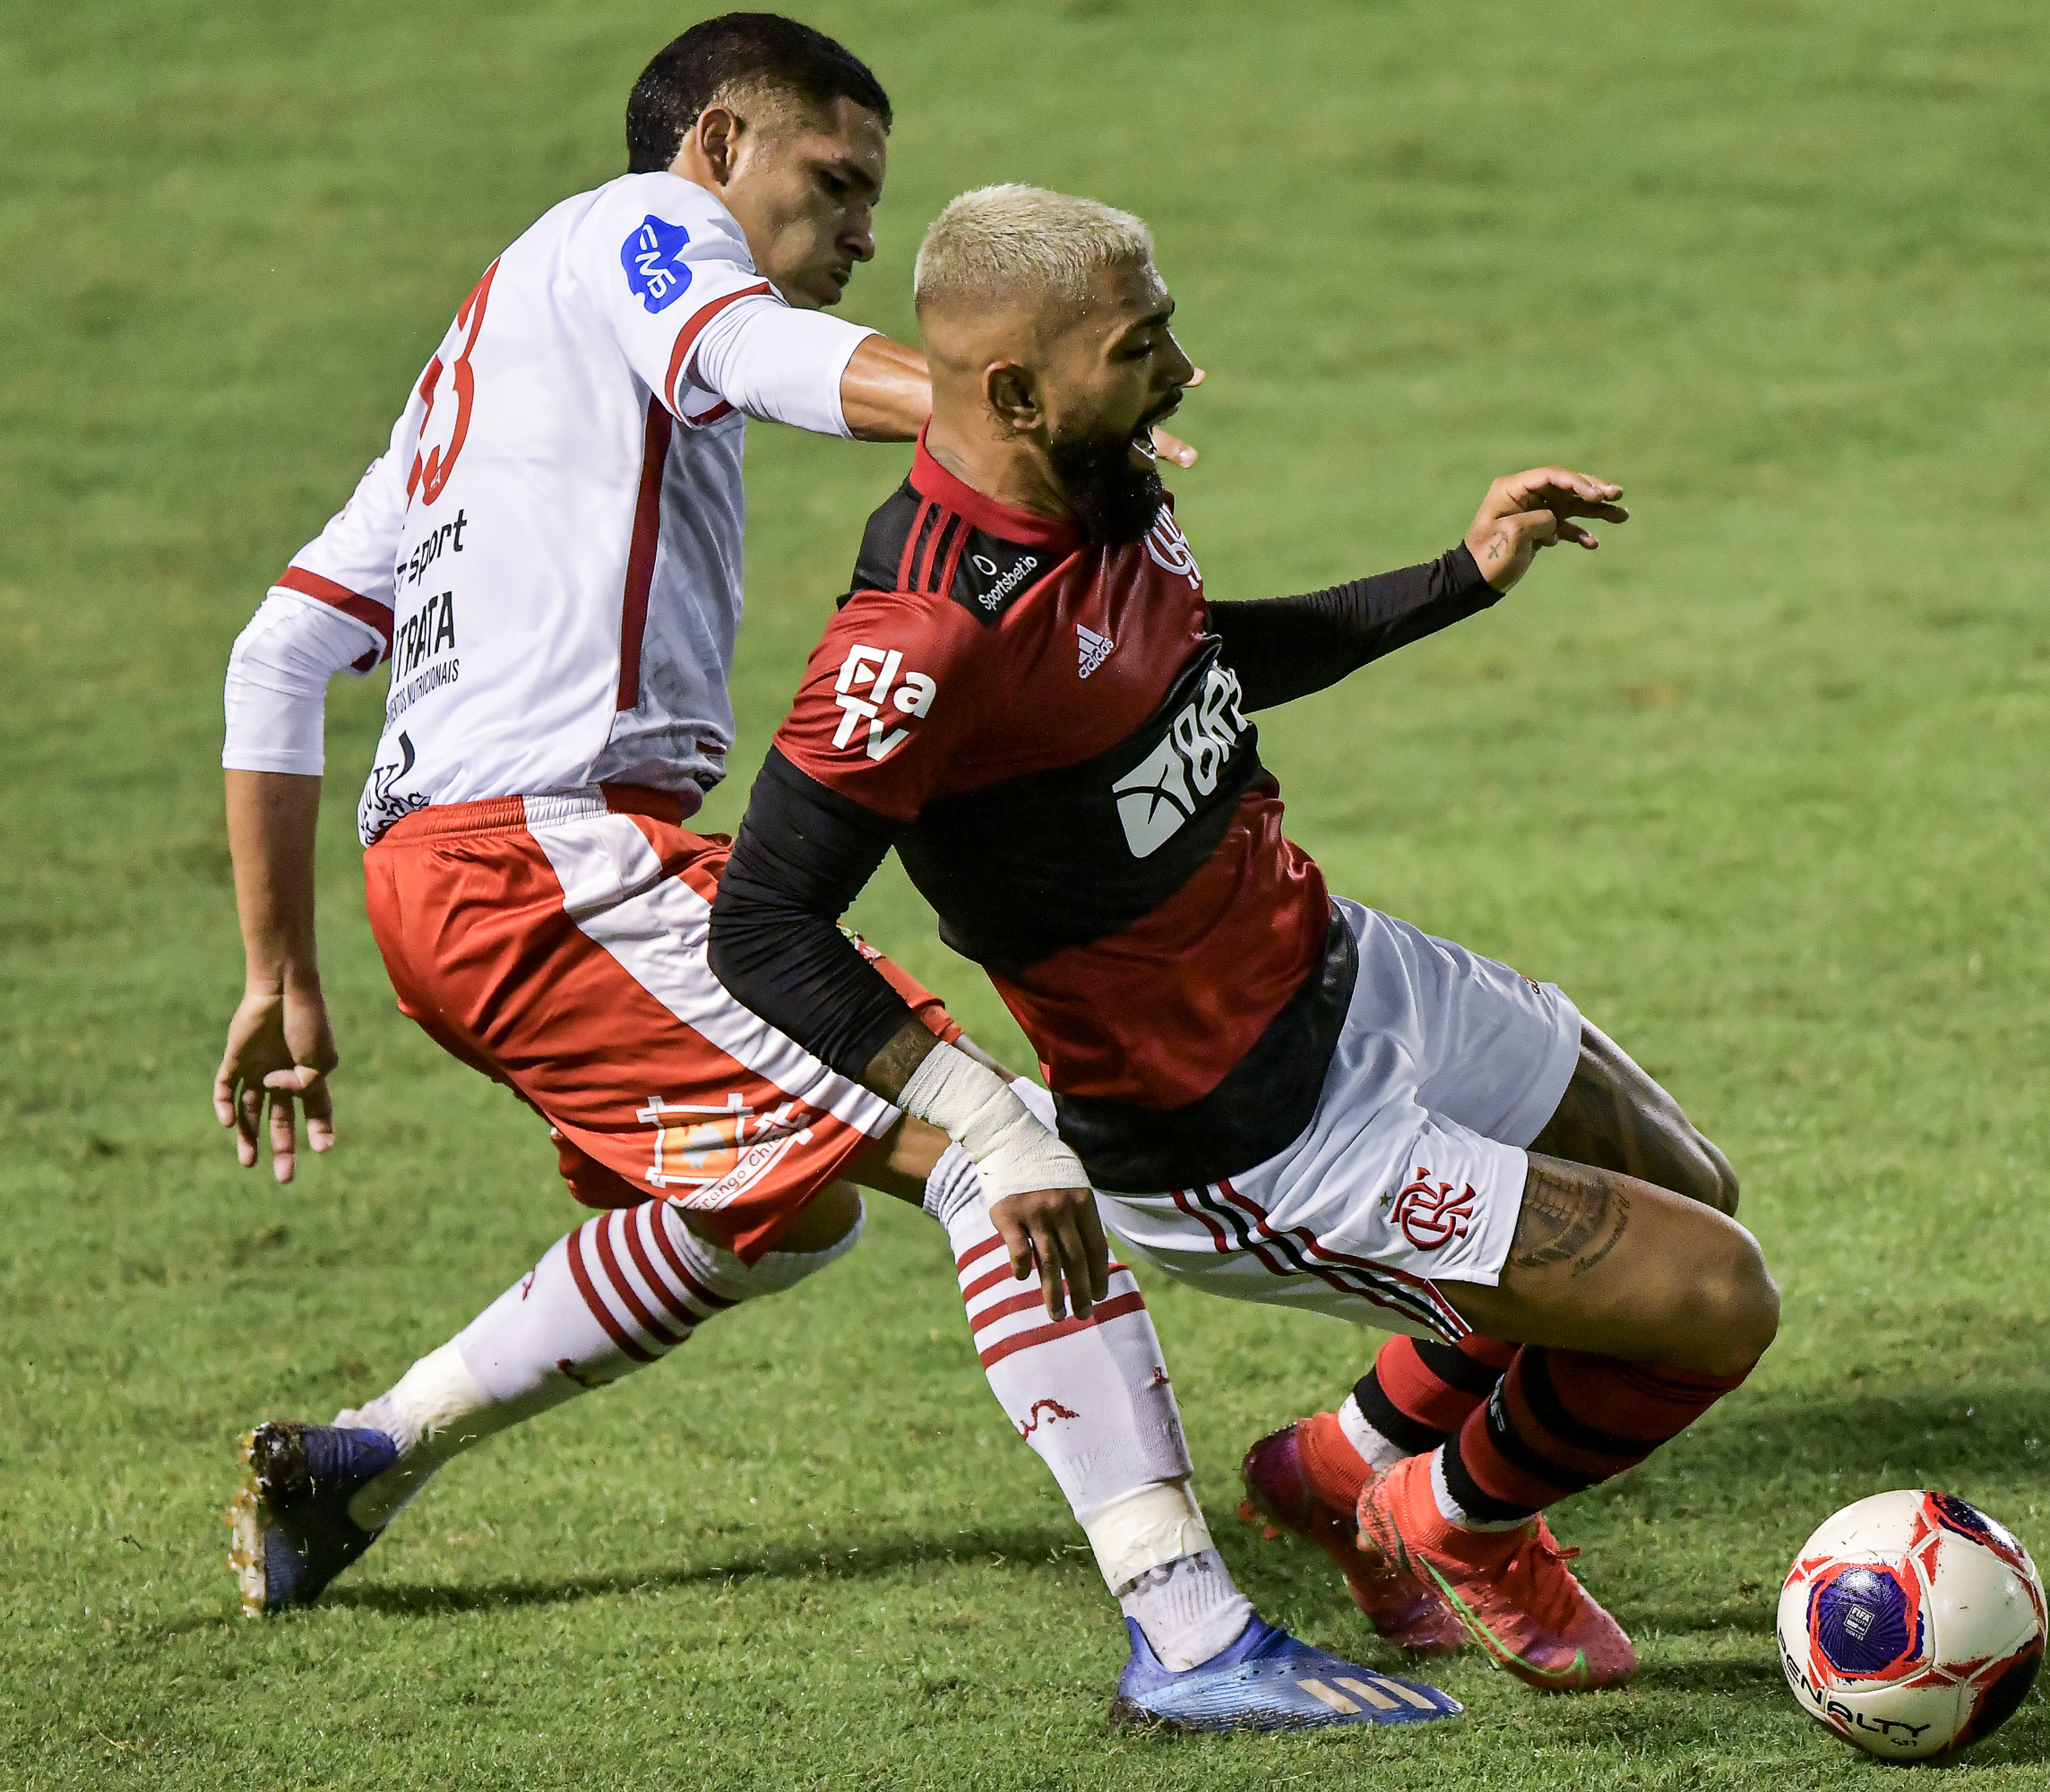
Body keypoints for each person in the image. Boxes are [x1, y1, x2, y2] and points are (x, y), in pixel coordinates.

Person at [214, 17, 1453, 1731]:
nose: (865, 227)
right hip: (549, 861)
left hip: (458, 880)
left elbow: (278, 654)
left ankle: (367, 1460)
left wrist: (279, 971)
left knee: (772, 1213)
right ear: (718, 142)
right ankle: (1192, 1638)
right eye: (837, 179)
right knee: (998, 1152)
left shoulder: (474, 377)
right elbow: (748, 345)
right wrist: (982, 419)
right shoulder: (629, 232)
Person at [706, 184, 1778, 1695]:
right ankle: (1457, 1521)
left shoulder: (1107, 488)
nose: (1184, 368)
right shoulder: (921, 639)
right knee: (1713, 1302)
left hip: (1338, 969)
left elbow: (1196, 659)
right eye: (1143, 343)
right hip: (1244, 1135)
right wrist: (988, 1131)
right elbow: (760, 922)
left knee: (1690, 1189)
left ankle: (1338, 1471)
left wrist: (1456, 577)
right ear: (1014, 390)